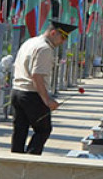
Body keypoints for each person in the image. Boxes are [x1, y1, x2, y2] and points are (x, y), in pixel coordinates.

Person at [10, 20, 77, 154]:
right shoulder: (45, 48)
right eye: (63, 37)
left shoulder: (30, 42)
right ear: (53, 33)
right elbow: (37, 76)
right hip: (31, 93)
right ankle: (30, 161)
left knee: (20, 130)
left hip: (17, 91)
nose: (63, 41)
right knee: (43, 129)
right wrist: (47, 100)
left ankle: (15, 164)